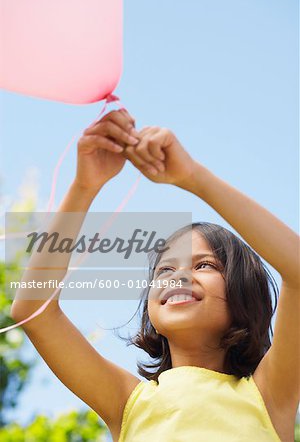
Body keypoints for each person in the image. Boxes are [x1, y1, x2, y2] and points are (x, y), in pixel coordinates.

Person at [11, 109, 299, 442]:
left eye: (204, 265)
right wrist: (84, 186)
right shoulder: (126, 401)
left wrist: (193, 177)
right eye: (164, 270)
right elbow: (33, 312)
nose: (178, 276)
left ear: (245, 294)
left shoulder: (268, 395)